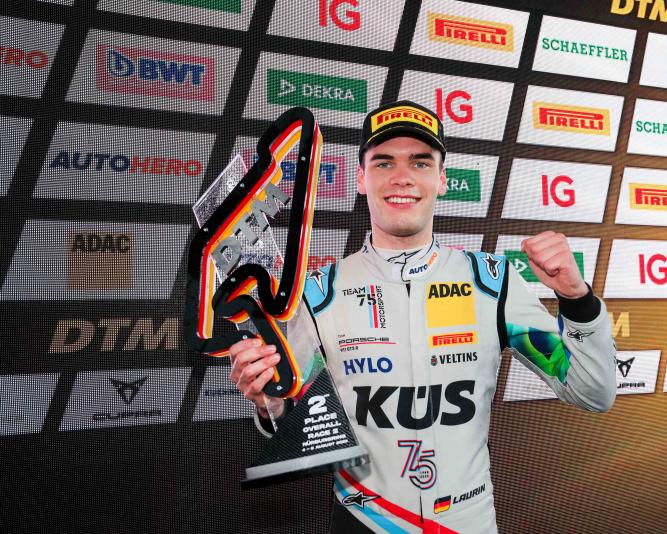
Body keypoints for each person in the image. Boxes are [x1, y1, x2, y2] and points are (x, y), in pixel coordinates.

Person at [228, 101, 617, 533]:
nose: (402, 177)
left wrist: (576, 299)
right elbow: (298, 421)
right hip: (365, 521)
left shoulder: (491, 282)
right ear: (361, 179)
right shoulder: (319, 294)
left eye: (420, 162)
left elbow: (593, 391)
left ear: (442, 179)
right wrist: (271, 404)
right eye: (383, 162)